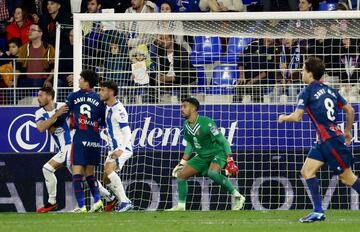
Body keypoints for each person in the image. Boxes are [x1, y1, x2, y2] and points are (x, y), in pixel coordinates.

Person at [278, 57, 360, 222]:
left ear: (309, 73)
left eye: (303, 70)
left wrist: (283, 118)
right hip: (325, 140)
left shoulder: (306, 92)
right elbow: (350, 110)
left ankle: (318, 210)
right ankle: (318, 211)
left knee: (347, 178)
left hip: (330, 141)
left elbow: (297, 117)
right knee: (307, 171)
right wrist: (348, 131)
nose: (301, 73)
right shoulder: (331, 90)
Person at [167, 97, 245, 211]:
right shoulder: (186, 125)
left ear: (193, 109)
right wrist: (182, 162)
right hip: (202, 156)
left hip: (217, 153)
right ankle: (181, 206)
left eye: (185, 106)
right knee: (181, 176)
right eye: (181, 106)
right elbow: (190, 144)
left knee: (212, 173)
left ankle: (238, 197)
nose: (181, 109)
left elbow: (223, 141)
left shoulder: (207, 122)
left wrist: (230, 159)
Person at [55, 69, 105, 212]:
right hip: (95, 138)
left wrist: (56, 122)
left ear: (86, 81)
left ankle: (82, 206)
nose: (78, 81)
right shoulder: (99, 98)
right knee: (90, 173)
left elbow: (63, 115)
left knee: (77, 172)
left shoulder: (73, 96)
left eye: (81, 79)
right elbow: (102, 120)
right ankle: (97, 201)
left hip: (80, 136)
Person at [34, 87, 72, 213]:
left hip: (70, 145)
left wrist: (71, 123)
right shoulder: (39, 113)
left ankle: (51, 202)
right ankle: (109, 197)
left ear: (49, 97)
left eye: (41, 95)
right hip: (62, 149)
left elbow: (75, 117)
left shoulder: (63, 106)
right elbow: (41, 128)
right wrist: (56, 116)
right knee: (81, 175)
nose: (38, 98)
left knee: (48, 168)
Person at [99, 80, 134, 212]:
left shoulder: (118, 110)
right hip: (114, 148)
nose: (100, 92)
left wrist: (121, 149)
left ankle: (125, 201)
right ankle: (119, 200)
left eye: (103, 90)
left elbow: (127, 131)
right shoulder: (108, 106)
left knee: (109, 170)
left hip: (122, 148)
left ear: (111, 92)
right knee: (106, 178)